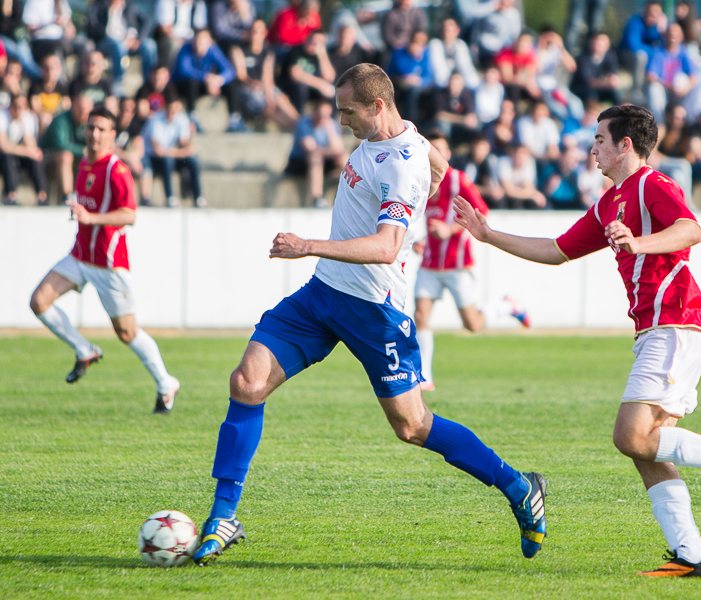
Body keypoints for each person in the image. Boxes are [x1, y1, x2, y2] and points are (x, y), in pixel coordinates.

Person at [189, 63, 548, 567]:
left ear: (377, 106)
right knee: (247, 382)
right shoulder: (414, 145)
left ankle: (518, 486)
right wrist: (437, 188)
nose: (341, 121)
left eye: (347, 111)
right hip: (322, 296)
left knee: (412, 425)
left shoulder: (402, 164)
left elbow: (385, 247)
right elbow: (442, 169)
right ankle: (222, 515)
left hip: (374, 309)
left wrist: (307, 245)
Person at [453, 103, 701, 578]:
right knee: (646, 447)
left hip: (676, 323)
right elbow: (556, 251)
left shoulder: (653, 184)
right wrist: (487, 235)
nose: (594, 148)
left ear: (626, 145)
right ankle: (691, 555)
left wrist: (637, 243)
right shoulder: (611, 201)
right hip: (657, 328)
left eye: (601, 139)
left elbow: (691, 229)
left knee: (630, 436)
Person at [29, 102, 180, 414]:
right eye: (91, 128)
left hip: (109, 264)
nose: (94, 134)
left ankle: (166, 383)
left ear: (113, 135)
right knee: (39, 301)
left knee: (127, 332)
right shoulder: (85, 162)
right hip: (80, 255)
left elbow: (130, 215)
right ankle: (84, 349)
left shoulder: (117, 170)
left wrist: (90, 217)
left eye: (101, 130)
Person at [414, 132, 528, 391]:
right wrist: (418, 241)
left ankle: (507, 307)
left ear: (448, 154)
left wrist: (449, 230)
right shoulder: (420, 181)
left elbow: (481, 212)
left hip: (457, 264)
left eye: (440, 150)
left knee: (472, 324)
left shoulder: (458, 180)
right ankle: (425, 377)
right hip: (430, 263)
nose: (436, 155)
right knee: (420, 316)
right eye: (431, 150)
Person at [139, 88, 203, 207]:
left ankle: (198, 197)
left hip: (168, 155)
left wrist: (191, 135)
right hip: (152, 157)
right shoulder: (155, 120)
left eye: (174, 111)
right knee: (167, 161)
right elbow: (158, 151)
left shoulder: (181, 118)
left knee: (192, 160)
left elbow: (185, 145)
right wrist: (181, 153)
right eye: (169, 110)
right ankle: (170, 197)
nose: (172, 114)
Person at [283, 97, 347, 208]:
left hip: (322, 159)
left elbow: (339, 150)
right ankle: (317, 198)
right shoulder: (303, 124)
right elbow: (310, 148)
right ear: (314, 113)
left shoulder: (331, 125)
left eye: (327, 115)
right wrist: (330, 151)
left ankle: (353, 193)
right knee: (315, 157)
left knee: (343, 158)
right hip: (300, 162)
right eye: (321, 115)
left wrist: (330, 131)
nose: (323, 118)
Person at [0, 92, 47, 205]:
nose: (19, 109)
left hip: (12, 151)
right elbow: (3, 146)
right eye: (16, 106)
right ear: (10, 106)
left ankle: (42, 196)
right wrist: (28, 152)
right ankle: (11, 196)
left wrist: (23, 125)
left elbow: (32, 146)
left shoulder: (27, 118)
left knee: (35, 158)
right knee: (7, 159)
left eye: (22, 106)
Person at [86, 0, 158, 96]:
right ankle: (118, 81)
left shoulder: (131, 7)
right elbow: (93, 27)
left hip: (131, 41)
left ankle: (149, 81)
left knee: (150, 45)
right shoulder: (99, 6)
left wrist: (138, 39)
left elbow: (145, 22)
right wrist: (111, 11)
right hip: (107, 42)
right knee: (118, 45)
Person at [40, 93, 94, 204]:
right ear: (74, 107)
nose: (84, 113)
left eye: (87, 110)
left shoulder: (89, 123)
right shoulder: (61, 120)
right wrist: (83, 151)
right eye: (81, 109)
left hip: (76, 159)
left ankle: (92, 197)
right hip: (47, 157)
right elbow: (61, 145)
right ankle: (68, 196)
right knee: (65, 156)